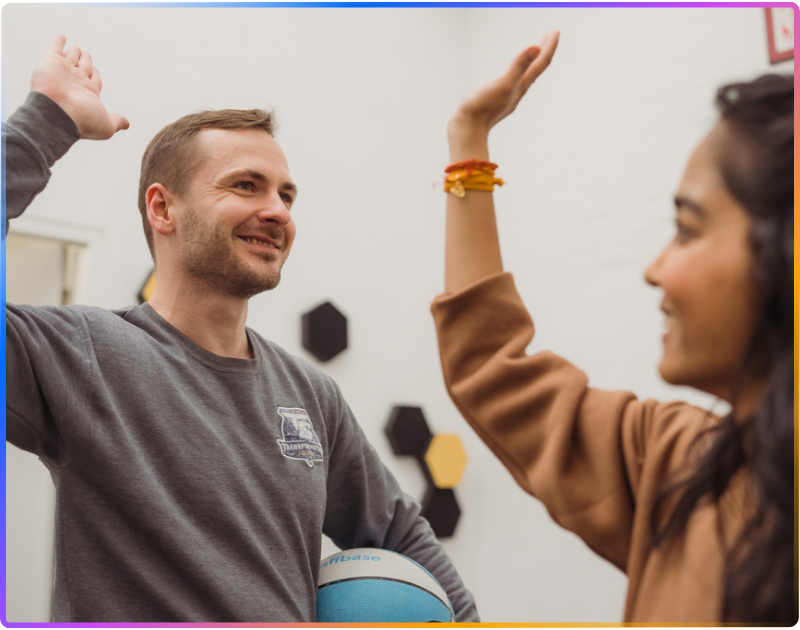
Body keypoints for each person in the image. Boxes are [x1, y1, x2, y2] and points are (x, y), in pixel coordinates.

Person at [5, 35, 478, 623]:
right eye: (245, 185)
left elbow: (402, 535)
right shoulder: (82, 356)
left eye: (286, 194)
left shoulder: (310, 395)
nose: (279, 210)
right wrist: (46, 118)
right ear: (162, 209)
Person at [431, 32, 795, 623]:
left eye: (687, 229)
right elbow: (494, 371)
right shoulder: (683, 466)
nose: (655, 270)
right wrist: (469, 138)